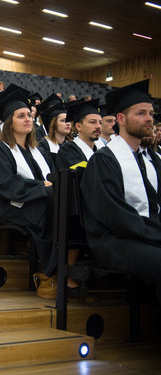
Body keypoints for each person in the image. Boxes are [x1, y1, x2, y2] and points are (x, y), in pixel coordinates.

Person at [0, 88, 86, 294]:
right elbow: (3, 183)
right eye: (20, 116)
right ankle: (52, 272)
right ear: (8, 122)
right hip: (13, 205)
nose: (28, 119)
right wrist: (41, 187)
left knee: (68, 199)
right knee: (54, 201)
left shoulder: (39, 150)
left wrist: (49, 188)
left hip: (40, 199)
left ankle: (65, 268)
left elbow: (52, 179)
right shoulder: (1, 150)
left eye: (29, 115)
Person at [80, 80, 161, 303]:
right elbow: (111, 213)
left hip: (145, 235)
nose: (149, 119)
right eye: (141, 113)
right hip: (114, 240)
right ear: (121, 119)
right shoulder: (105, 160)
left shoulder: (151, 160)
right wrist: (155, 232)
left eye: (151, 113)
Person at [57, 99, 102, 170]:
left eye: (100, 123)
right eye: (93, 122)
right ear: (78, 126)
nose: (99, 126)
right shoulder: (68, 150)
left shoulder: (100, 150)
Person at [37, 101, 70, 169]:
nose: (68, 123)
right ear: (54, 124)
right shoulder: (44, 144)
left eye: (68, 120)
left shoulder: (70, 145)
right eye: (63, 121)